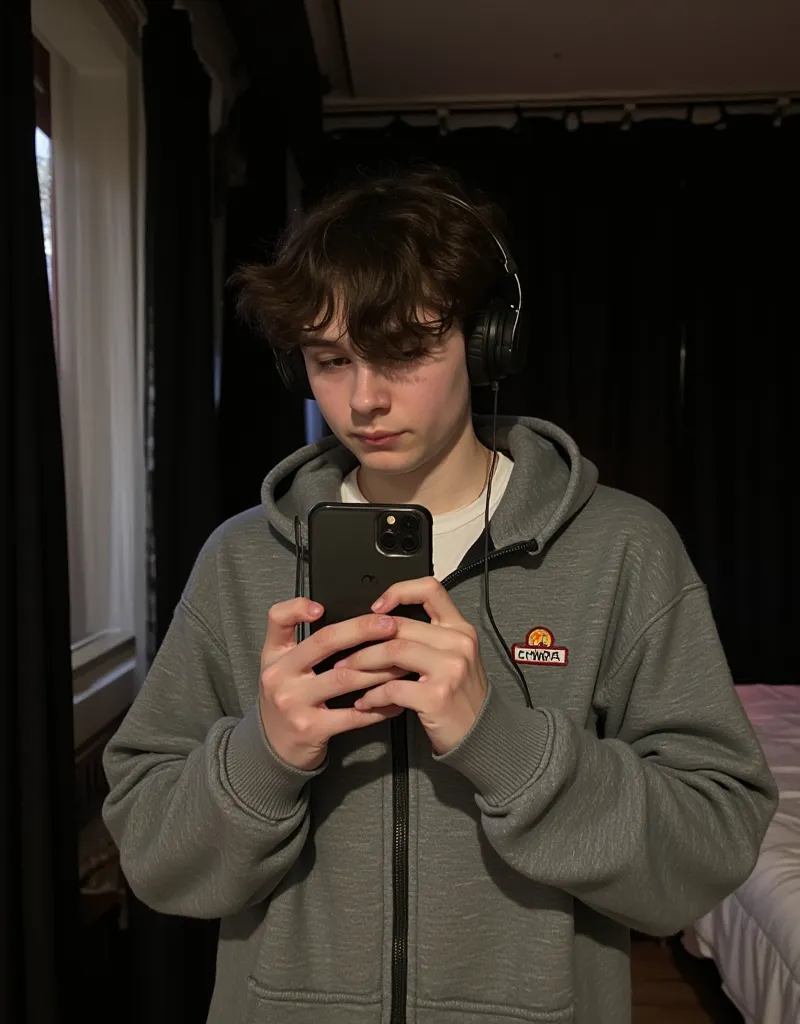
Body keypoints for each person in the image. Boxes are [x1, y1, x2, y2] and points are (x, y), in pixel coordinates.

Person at [102, 166, 777, 1024]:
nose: (364, 399)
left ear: (489, 341)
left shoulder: (621, 549)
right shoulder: (240, 561)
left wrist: (506, 746)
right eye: (331, 360)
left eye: (404, 350)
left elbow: (710, 847)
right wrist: (263, 752)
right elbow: (154, 857)